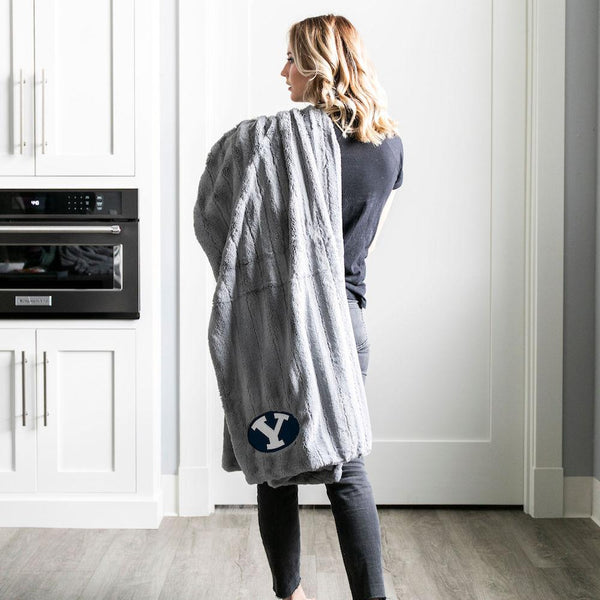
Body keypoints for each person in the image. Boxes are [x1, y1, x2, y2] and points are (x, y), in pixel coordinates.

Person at [256, 14, 404, 600]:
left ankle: (286, 593)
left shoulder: (283, 140)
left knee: (277, 462)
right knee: (347, 468)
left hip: (290, 321)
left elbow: (263, 241)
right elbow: (362, 243)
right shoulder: (388, 143)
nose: (283, 70)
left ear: (316, 64)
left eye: (291, 57)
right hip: (347, 318)